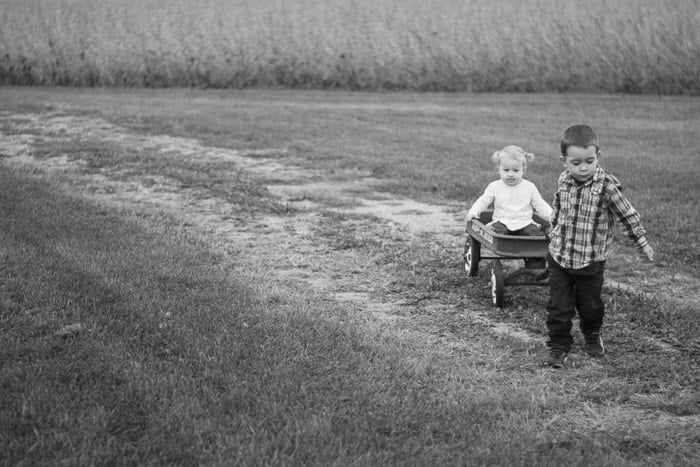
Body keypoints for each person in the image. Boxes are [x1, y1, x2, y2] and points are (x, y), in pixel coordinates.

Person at [546, 124, 654, 368]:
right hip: (560, 257)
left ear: (598, 157)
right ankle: (558, 346)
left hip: (590, 261)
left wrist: (642, 243)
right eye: (576, 162)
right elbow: (557, 207)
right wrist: (553, 232)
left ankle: (592, 334)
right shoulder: (563, 179)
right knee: (558, 307)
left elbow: (628, 215)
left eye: (589, 161)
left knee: (591, 306)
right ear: (563, 161)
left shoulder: (606, 187)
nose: (583, 168)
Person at [467, 145, 552, 237]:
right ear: (499, 169)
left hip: (524, 222)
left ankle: (537, 248)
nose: (510, 174)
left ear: (523, 170)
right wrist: (473, 212)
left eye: (515, 170)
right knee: (497, 232)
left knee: (536, 234)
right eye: (506, 170)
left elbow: (539, 203)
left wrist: (551, 215)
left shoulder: (529, 187)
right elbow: (483, 200)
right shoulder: (495, 186)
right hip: (502, 221)